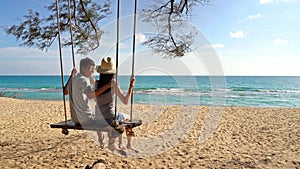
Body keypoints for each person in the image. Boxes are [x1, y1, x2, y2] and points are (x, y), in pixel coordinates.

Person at [63, 57, 112, 144]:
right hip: (85, 119)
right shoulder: (84, 80)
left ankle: (100, 138)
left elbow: (65, 92)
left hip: (75, 119)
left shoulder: (73, 79)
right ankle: (102, 139)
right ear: (83, 68)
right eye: (91, 68)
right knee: (103, 116)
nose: (93, 71)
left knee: (95, 113)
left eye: (93, 69)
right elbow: (90, 96)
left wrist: (71, 75)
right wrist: (107, 86)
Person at [95, 56, 136, 151]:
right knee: (127, 118)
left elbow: (97, 99)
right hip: (109, 118)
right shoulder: (114, 84)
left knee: (119, 115)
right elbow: (125, 101)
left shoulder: (97, 84)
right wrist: (131, 85)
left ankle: (121, 143)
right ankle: (126, 144)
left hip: (98, 117)